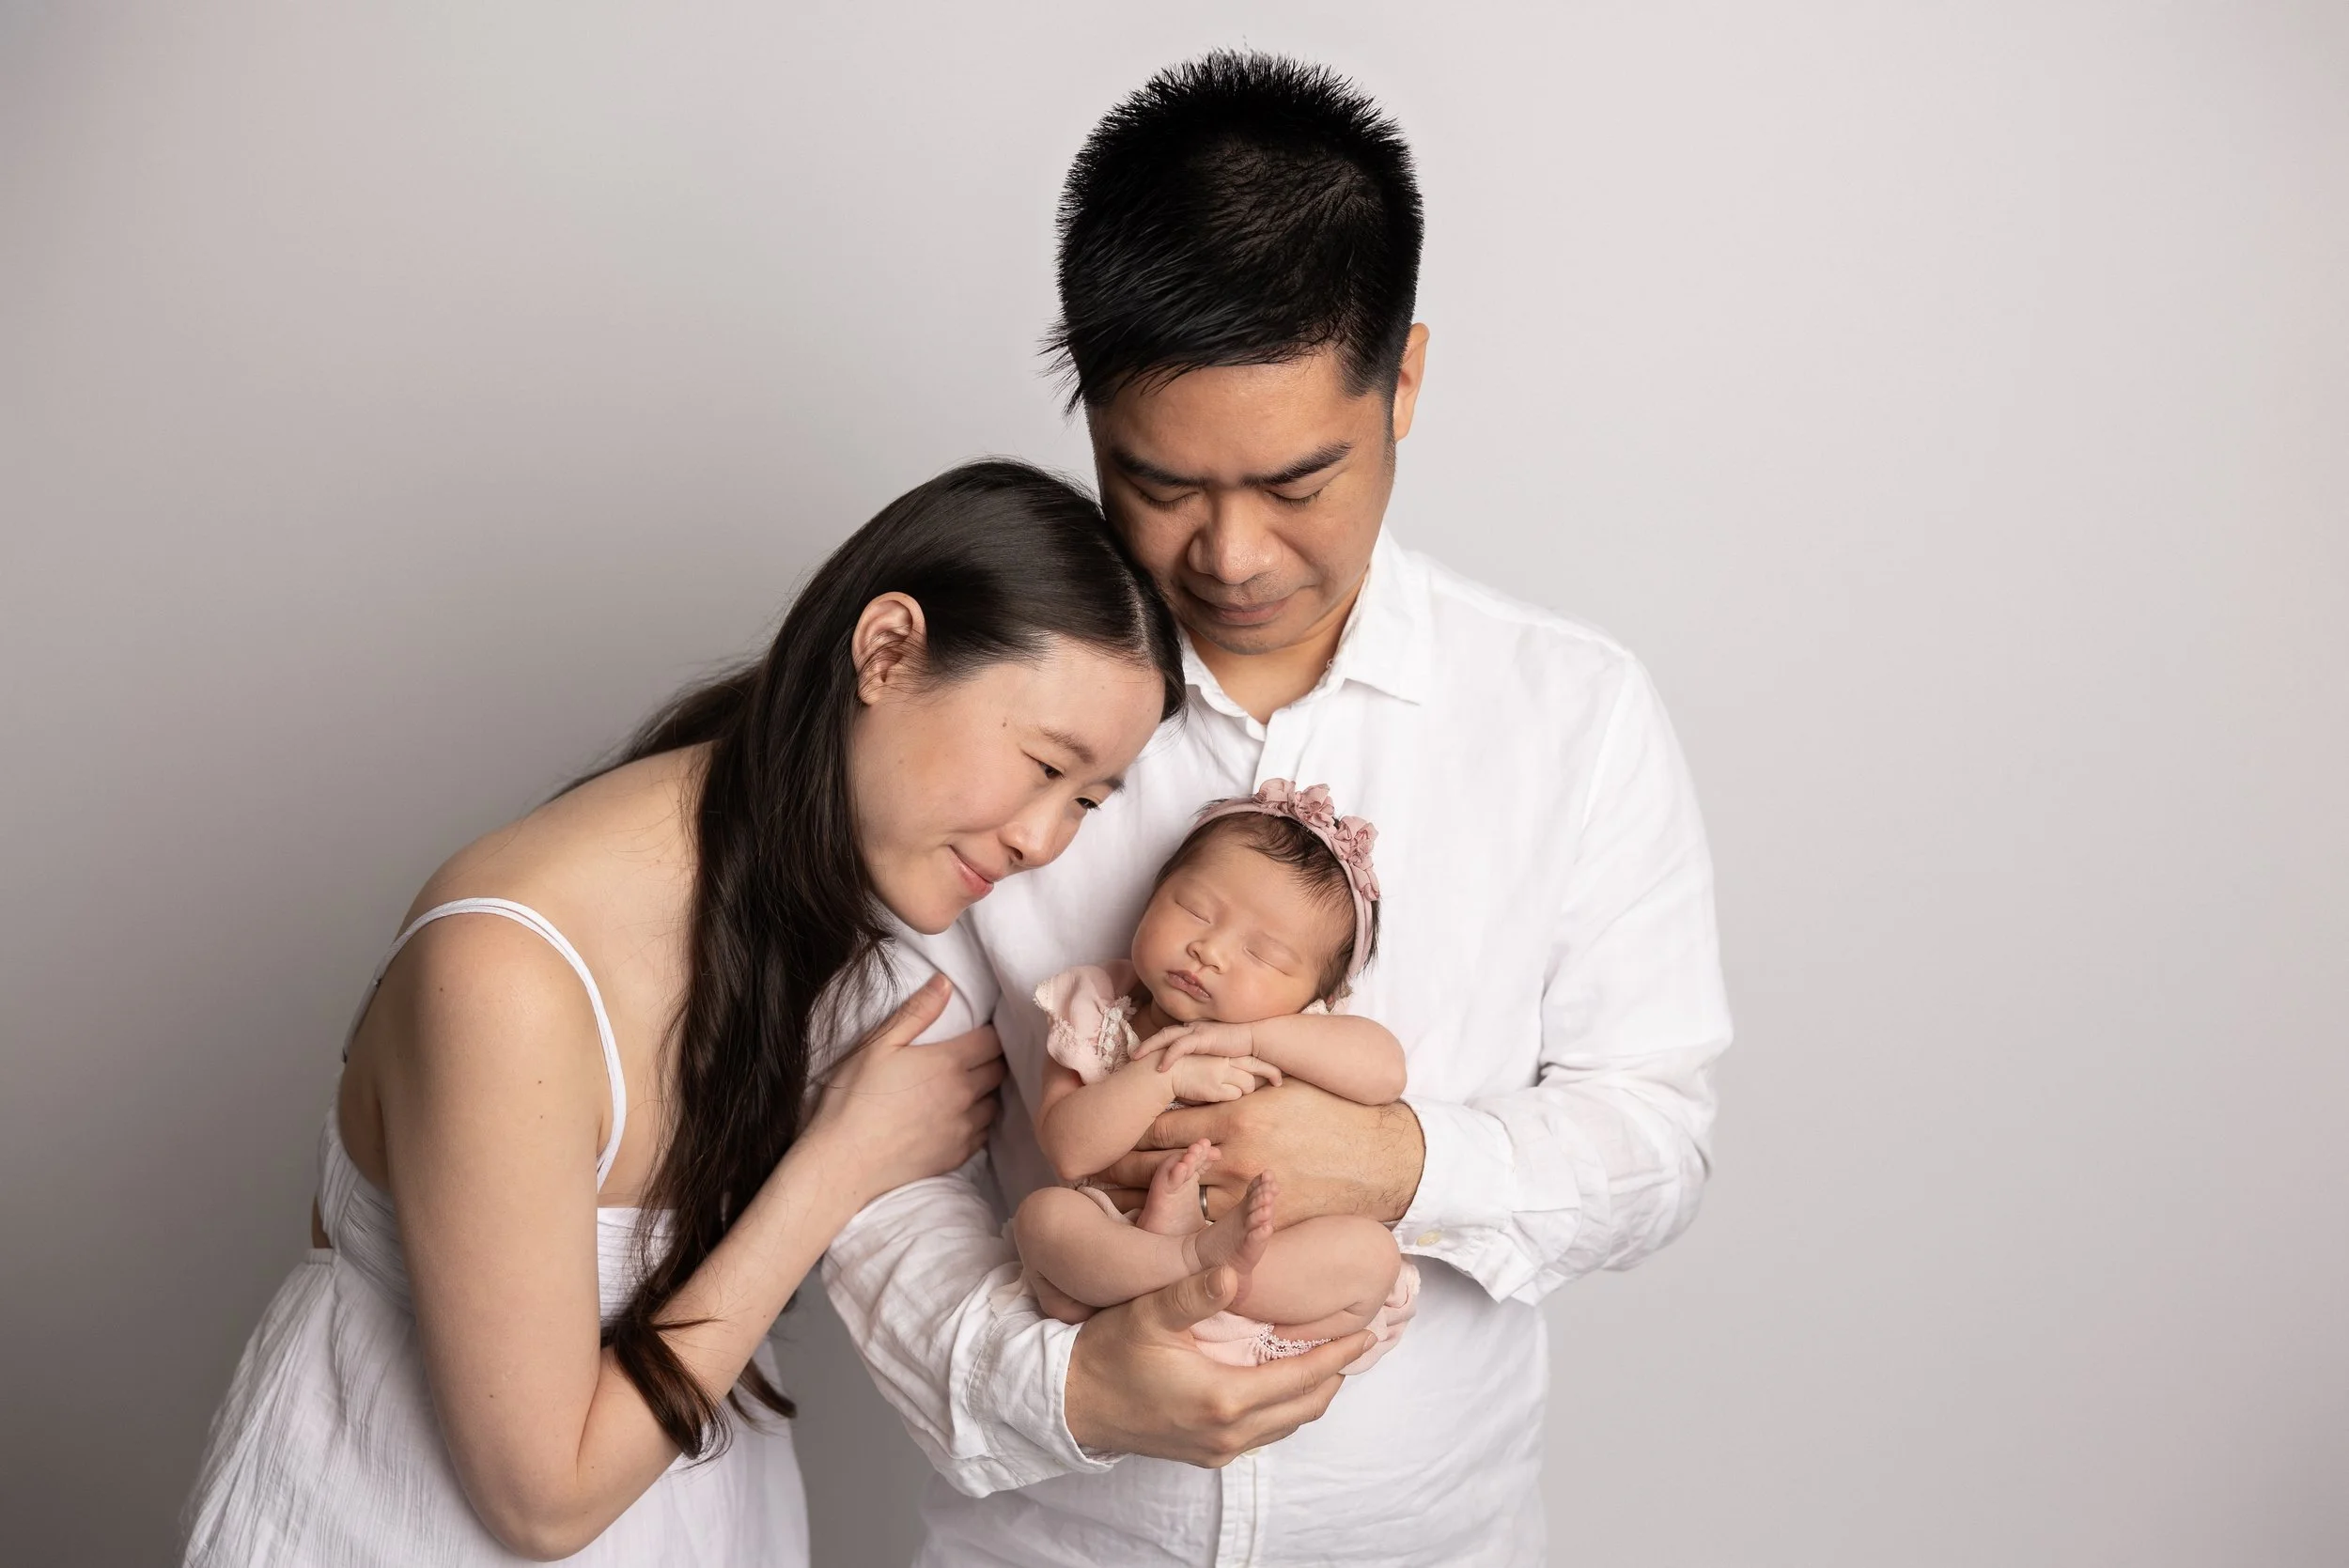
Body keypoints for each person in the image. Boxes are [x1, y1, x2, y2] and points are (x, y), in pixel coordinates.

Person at [822, 54, 1734, 1566]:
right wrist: (1064, 1385)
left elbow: (1652, 1140)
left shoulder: (1571, 715)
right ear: (1087, 410)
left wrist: (1399, 1163)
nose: (1231, 556)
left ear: (1408, 382)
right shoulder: (969, 720)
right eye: (1158, 482)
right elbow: (869, 1162)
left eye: (1299, 481)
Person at [179, 461, 1183, 1566]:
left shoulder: (821, 918)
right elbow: (541, 1501)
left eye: (1087, 799)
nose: (1046, 839)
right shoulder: (504, 974)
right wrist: (838, 1161)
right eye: (1044, 764)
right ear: (885, 651)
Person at [1012, 780, 1417, 1370]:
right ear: (1152, 897)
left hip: (1256, 1268)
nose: (1210, 949)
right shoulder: (1098, 1009)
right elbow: (1070, 1152)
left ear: (1320, 994)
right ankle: (1187, 1262)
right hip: (1128, 1252)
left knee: (1369, 1257)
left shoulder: (1296, 1032)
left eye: (1265, 956)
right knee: (1045, 1219)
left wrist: (1251, 1037)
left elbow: (1387, 1073)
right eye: (1195, 910)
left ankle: (1217, 1282)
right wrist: (1162, 1078)